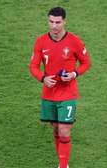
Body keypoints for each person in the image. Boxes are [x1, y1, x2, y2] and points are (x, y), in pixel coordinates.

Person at [29, 6, 91, 168]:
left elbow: (86, 63)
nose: (54, 26)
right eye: (51, 22)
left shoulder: (75, 41)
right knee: (56, 128)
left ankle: (63, 166)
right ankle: (62, 161)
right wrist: (43, 78)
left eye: (57, 22)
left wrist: (74, 75)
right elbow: (33, 66)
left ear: (64, 21)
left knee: (64, 129)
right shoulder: (40, 41)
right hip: (49, 94)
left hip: (68, 93)